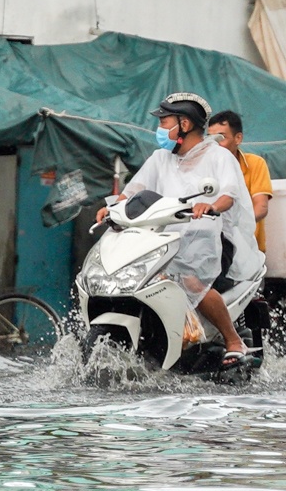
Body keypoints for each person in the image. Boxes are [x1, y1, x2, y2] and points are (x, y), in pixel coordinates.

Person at [98, 92, 260, 368]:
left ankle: (234, 341)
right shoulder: (160, 158)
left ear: (184, 124)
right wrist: (112, 208)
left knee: (190, 280)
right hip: (166, 239)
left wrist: (211, 206)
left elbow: (229, 194)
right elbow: (135, 191)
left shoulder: (218, 156)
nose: (159, 129)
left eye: (164, 122)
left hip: (211, 240)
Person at [207, 109, 270, 253]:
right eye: (210, 138)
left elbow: (261, 207)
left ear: (238, 138)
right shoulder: (203, 168)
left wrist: (238, 229)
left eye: (221, 137)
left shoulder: (255, 164)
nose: (214, 144)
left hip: (249, 249)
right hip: (213, 249)